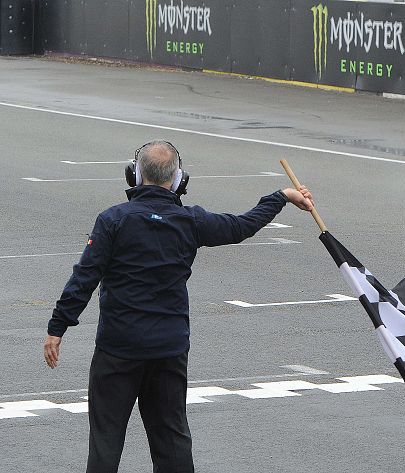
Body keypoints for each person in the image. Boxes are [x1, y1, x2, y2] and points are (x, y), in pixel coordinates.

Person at [43, 140, 314, 472]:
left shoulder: (113, 219)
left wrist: (58, 327)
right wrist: (281, 196)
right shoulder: (191, 221)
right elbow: (243, 226)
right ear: (178, 180)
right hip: (169, 349)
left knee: (106, 440)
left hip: (118, 349)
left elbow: (85, 277)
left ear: (134, 174)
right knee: (172, 442)